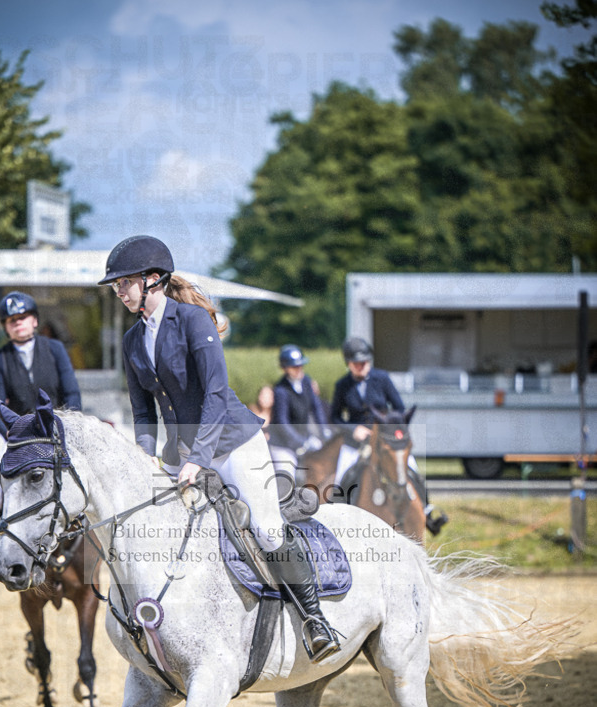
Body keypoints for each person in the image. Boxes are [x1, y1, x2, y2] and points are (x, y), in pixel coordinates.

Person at [98, 234, 340, 662]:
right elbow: (143, 412)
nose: (118, 291)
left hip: (233, 444)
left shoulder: (192, 322)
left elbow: (213, 395)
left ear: (152, 280)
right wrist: (143, 458)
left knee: (266, 530)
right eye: (116, 285)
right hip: (185, 455)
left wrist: (196, 460)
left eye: (123, 283)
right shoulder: (133, 340)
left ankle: (314, 619)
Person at [0, 291, 82, 573]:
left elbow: (71, 392)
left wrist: (65, 427)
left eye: (22, 318)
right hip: (18, 435)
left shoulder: (55, 349)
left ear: (34, 321)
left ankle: (83, 546)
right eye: (11, 321)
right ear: (5, 327)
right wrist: (15, 435)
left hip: (56, 430)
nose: (18, 324)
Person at [330, 338, 448, 536]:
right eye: (356, 364)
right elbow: (334, 416)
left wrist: (388, 425)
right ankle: (338, 520)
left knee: (412, 470)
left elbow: (399, 408)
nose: (361, 367)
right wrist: (353, 429)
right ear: (348, 363)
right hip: (356, 442)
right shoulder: (342, 385)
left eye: (365, 363)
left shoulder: (381, 378)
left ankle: (427, 512)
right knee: (343, 476)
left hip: (385, 439)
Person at [268, 344, 330, 484]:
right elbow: (282, 423)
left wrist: (324, 431)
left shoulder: (306, 382)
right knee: (287, 474)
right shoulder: (281, 390)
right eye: (294, 367)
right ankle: (284, 502)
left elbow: (316, 408)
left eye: (300, 366)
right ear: (285, 368)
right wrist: (302, 442)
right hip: (283, 444)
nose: (298, 369)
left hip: (304, 437)